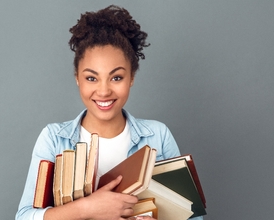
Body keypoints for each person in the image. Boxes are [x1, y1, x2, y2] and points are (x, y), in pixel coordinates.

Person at [16, 5, 203, 220]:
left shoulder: (158, 136)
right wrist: (88, 209)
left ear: (132, 77)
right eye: (91, 78)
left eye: (116, 77)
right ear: (77, 77)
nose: (104, 91)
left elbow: (192, 217)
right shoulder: (54, 139)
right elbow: (24, 217)